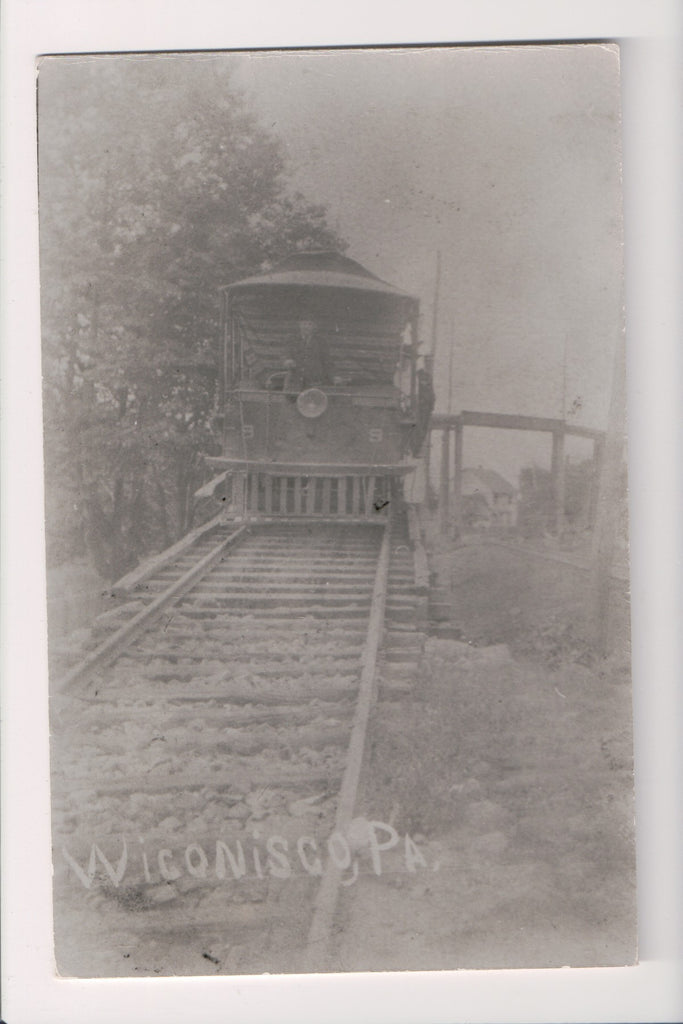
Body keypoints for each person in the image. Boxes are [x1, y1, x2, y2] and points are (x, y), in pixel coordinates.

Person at [283, 316, 333, 391]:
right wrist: (287, 360)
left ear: (314, 327)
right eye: (304, 324)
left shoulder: (321, 342)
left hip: (313, 381)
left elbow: (327, 361)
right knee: (291, 399)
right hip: (294, 381)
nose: (306, 327)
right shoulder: (292, 340)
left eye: (309, 324)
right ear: (299, 325)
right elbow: (285, 353)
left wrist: (334, 376)